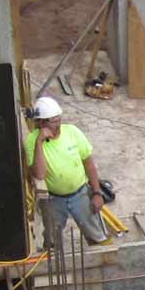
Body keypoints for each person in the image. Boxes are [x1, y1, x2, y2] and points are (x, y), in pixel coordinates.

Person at [23, 96, 110, 249]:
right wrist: (39, 143)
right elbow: (40, 174)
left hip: (80, 194)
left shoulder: (73, 132)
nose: (59, 124)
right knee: (52, 241)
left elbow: (89, 164)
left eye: (59, 119)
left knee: (98, 236)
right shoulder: (32, 141)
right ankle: (52, 252)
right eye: (54, 121)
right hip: (53, 200)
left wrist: (97, 193)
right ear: (42, 123)